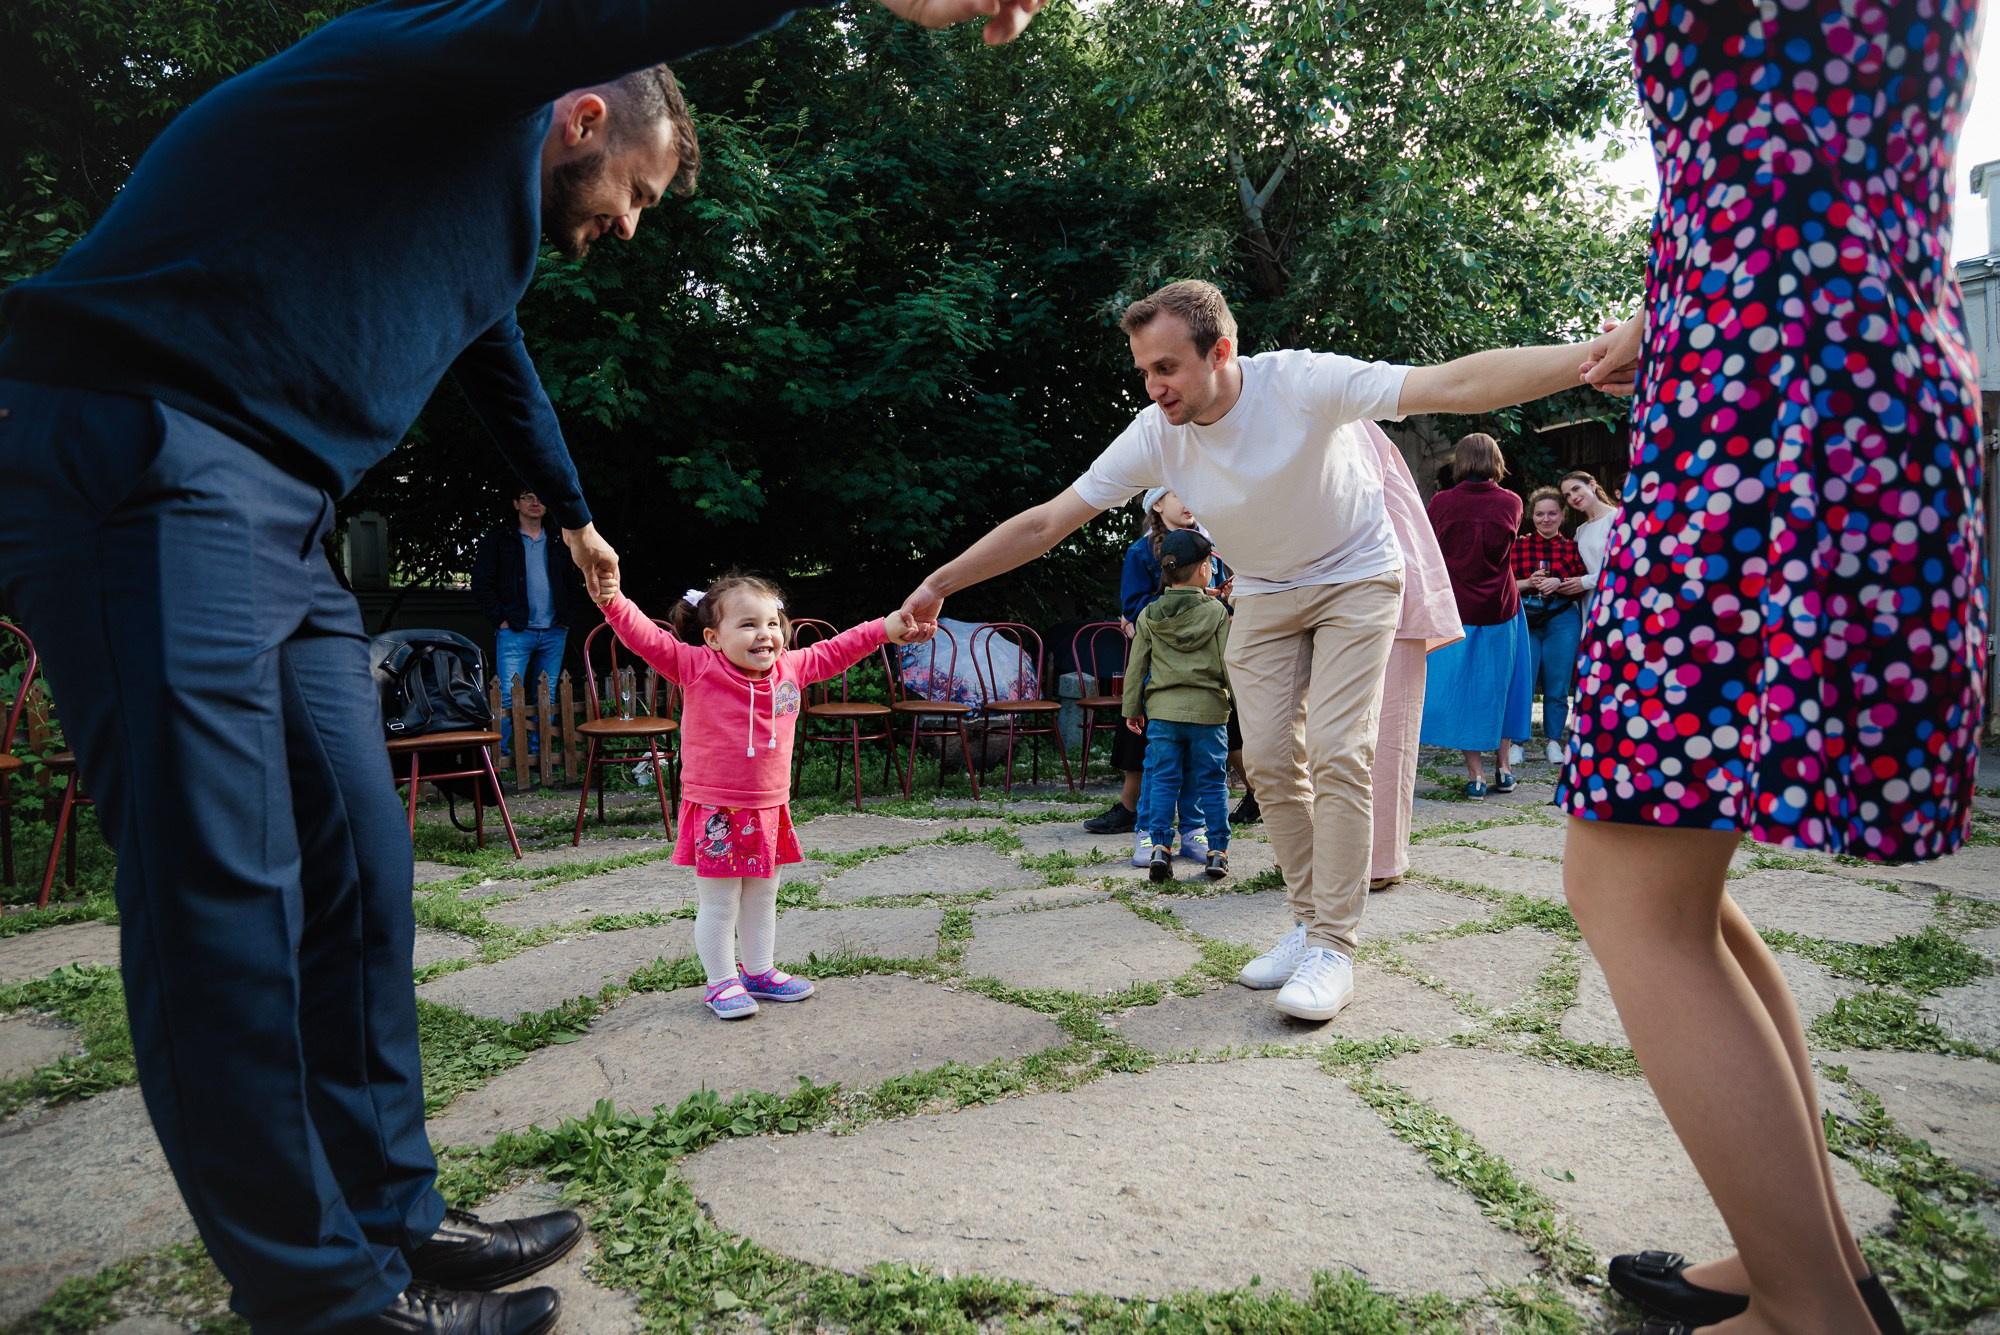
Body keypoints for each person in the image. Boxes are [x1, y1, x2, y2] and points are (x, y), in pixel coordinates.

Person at [0, 1, 1045, 1330]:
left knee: (361, 862)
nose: (633, 224)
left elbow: (496, 361)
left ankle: (392, 1214)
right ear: (581, 114)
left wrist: (581, 514)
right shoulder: (450, 78)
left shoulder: (483, 231)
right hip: (140, 450)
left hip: (281, 506)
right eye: (638, 193)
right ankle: (324, 1301)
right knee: (224, 891)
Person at [1567, 1, 1984, 1331]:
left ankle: (1809, 1313)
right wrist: (1683, 296)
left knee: (1627, 875)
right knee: (1671, 871)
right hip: (1844, 366)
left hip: (1770, 406)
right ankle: (1801, 1255)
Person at [898, 279, 1626, 1021]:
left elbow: (1455, 383)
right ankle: (1308, 925)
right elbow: (1047, 521)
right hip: (1266, 591)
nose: (1153, 387)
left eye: (1167, 368)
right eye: (1144, 371)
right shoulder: (1156, 433)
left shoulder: (1302, 383)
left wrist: (1600, 354)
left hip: (1357, 575)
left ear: (1220, 351)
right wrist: (940, 583)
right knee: (1270, 762)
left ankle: (1334, 947)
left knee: (1340, 750)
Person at [600, 575, 921, 1018]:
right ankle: (720, 982)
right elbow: (644, 638)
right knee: (720, 903)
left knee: (763, 896)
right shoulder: (696, 666)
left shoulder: (792, 668)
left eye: (772, 623)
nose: (765, 634)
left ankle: (758, 971)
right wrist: (612, 600)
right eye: (748, 624)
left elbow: (841, 648)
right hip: (715, 808)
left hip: (770, 807)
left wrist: (885, 628)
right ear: (713, 638)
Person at [1361, 421, 1462, 892]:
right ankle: (1319, 854)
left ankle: (1381, 857)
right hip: (1320, 597)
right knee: (1320, 741)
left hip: (1385, 592)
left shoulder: (1357, 432)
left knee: (1389, 737)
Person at [1418, 434, 1533, 798]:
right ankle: (1504, 768)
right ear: (1496, 460)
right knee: (1505, 685)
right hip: (1503, 606)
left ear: (1460, 461)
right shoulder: (1512, 502)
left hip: (1457, 608)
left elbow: (1430, 551)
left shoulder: (1441, 502)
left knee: (1466, 688)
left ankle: (1476, 774)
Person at [1122, 528, 1233, 882]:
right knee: (1211, 782)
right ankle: (1216, 851)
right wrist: (1241, 705)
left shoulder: (1148, 615)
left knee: (1162, 779)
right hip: (1209, 714)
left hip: (1163, 715)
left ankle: (1158, 847)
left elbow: (1136, 667)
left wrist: (1131, 708)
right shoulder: (1217, 613)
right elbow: (1228, 663)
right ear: (1204, 570)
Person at [471, 486, 579, 758]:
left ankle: (541, 756)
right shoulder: (500, 540)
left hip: (554, 630)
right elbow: (482, 584)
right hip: (515, 631)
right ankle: (503, 757)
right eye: (528, 497)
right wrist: (500, 620)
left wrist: (567, 619)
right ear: (516, 503)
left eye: (540, 497)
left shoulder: (559, 540)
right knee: (508, 694)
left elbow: (572, 582)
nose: (535, 502)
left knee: (547, 695)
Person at [1511, 486, 1587, 766]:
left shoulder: (1572, 548)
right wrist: (1529, 582)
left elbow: (1584, 583)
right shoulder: (1518, 545)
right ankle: (1517, 742)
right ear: (1532, 516)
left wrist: (1560, 583)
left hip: (1562, 617)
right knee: (1523, 681)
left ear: (1562, 515)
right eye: (1540, 514)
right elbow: (1503, 584)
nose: (1546, 519)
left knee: (1558, 682)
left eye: (1552, 513)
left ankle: (1554, 741)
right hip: (1526, 616)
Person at [1559, 469, 1620, 608]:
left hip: (1618, 599)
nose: (1573, 497)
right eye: (1567, 495)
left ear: (1592, 485)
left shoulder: (1617, 518)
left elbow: (1625, 565)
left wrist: (1586, 582)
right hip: (1591, 604)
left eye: (1576, 489)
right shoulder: (1581, 531)